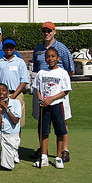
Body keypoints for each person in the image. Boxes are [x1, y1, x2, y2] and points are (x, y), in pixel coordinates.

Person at [31, 21, 74, 162]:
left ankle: (64, 150)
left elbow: (70, 69)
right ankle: (43, 151)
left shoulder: (61, 48)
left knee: (61, 121)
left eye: (49, 31)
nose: (46, 33)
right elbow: (37, 71)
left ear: (54, 32)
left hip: (58, 93)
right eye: (44, 31)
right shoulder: (38, 49)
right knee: (43, 122)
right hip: (42, 93)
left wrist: (58, 86)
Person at [0, 38, 29, 129]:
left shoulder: (20, 62)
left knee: (16, 122)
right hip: (1, 95)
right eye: (6, 47)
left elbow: (24, 81)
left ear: (14, 48)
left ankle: (16, 142)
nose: (8, 49)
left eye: (11, 47)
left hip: (16, 94)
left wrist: (13, 95)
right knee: (0, 120)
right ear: (3, 48)